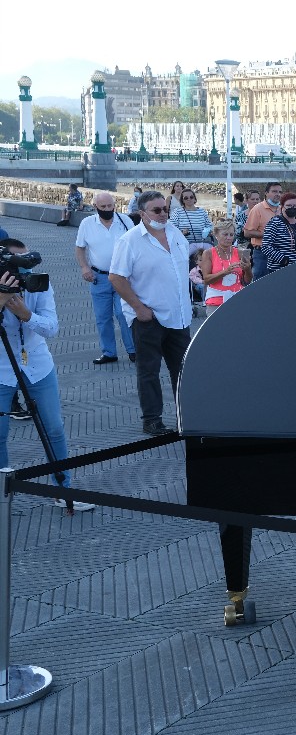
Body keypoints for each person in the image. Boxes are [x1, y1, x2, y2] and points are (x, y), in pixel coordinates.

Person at [0, 239, 91, 511]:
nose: (23, 273)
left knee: (54, 428)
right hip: (1, 369)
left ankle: (63, 490)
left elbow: (51, 328)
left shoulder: (39, 283)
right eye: (16, 265)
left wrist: (26, 314)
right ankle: (2, 493)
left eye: (26, 263)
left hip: (38, 365)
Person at [109, 191, 192, 435]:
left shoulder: (176, 234)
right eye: (156, 210)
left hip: (179, 316)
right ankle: (152, 419)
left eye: (165, 209)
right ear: (142, 213)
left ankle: (185, 417)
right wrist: (138, 308)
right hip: (149, 318)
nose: (163, 213)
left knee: (185, 371)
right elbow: (116, 277)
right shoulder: (129, 241)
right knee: (149, 372)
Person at [75, 191, 136, 364]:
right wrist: (84, 267)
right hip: (99, 277)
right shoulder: (87, 223)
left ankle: (133, 350)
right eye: (103, 207)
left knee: (123, 313)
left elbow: (136, 246)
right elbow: (80, 248)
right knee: (102, 317)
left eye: (110, 206)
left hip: (122, 277)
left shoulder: (125, 221)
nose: (108, 209)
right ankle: (109, 352)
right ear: (95, 207)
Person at [198, 221, 251, 308]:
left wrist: (248, 269)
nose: (229, 238)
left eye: (231, 234)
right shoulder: (208, 253)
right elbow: (207, 280)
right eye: (225, 234)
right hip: (215, 299)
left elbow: (247, 281)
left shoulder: (240, 252)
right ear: (216, 235)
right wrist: (225, 272)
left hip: (237, 297)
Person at [258, 192, 296, 276]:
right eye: (289, 206)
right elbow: (266, 247)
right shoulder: (274, 223)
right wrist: (283, 260)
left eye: (295, 206)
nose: (292, 208)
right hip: (280, 270)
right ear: (282, 206)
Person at [243, 182, 283, 278]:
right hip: (262, 254)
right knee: (261, 284)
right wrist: (268, 234)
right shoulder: (257, 209)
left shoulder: (282, 209)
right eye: (274, 191)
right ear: (266, 193)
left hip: (280, 252)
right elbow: (247, 233)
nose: (277, 194)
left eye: (280, 192)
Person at [171, 188, 213, 255]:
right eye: (186, 198)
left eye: (191, 197)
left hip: (201, 246)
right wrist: (181, 232)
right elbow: (172, 229)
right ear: (182, 200)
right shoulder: (177, 212)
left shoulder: (202, 211)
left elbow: (209, 226)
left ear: (194, 199)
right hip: (185, 246)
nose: (189, 199)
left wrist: (209, 231)